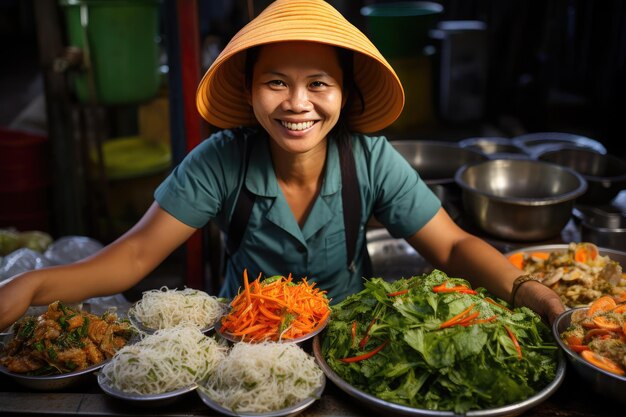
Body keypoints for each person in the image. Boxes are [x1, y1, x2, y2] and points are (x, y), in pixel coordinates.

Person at [0, 0, 564, 331]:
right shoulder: (220, 161)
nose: (297, 104)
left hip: (347, 337)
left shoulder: (370, 158)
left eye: (319, 84)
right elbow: (136, 256)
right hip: (242, 339)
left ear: (344, 95)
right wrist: (30, 286)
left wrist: (531, 292)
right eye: (276, 83)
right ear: (250, 94)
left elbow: (452, 247)